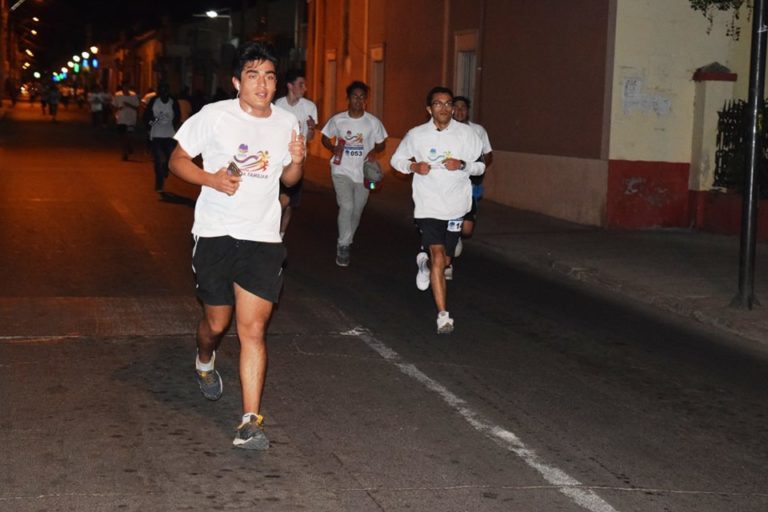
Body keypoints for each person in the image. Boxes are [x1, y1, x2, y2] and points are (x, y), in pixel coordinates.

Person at [169, 41, 305, 450]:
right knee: (216, 324)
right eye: (252, 75)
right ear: (236, 81)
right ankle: (204, 359)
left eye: (268, 76)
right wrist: (211, 179)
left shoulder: (286, 122)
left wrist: (299, 160)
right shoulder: (214, 116)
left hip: (263, 238)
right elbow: (177, 160)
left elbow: (290, 180)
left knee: (253, 330)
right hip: (215, 233)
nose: (262, 84)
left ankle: (250, 421)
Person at [390, 86, 484, 334]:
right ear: (429, 109)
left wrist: (462, 164)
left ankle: (426, 264)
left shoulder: (467, 134)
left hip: (455, 206)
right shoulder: (416, 134)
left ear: (453, 108)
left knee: (446, 259)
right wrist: (413, 167)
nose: (444, 108)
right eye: (438, 103)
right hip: (428, 205)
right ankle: (443, 315)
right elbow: (396, 161)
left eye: (448, 103)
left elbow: (480, 167)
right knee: (440, 257)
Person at [320, 81, 387, 267]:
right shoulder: (338, 120)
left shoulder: (372, 122)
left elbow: (382, 143)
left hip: (363, 173)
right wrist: (332, 148)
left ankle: (347, 240)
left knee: (357, 210)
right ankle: (343, 246)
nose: (358, 100)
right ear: (348, 98)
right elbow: (324, 137)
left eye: (362, 97)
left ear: (366, 100)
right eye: (354, 96)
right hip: (341, 169)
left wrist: (374, 151)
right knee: (347, 206)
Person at [448, 95, 493, 276]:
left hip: (470, 183)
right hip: (449, 183)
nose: (459, 111)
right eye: (456, 107)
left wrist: (478, 169)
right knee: (448, 216)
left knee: (467, 229)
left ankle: (456, 234)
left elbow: (488, 154)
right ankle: (446, 263)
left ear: (468, 111)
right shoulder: (445, 130)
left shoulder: (478, 130)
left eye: (463, 108)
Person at [274, 70, 318, 239]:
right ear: (290, 86)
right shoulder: (278, 105)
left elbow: (310, 137)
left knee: (289, 203)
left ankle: (280, 236)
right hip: (278, 159)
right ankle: (272, 233)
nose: (305, 88)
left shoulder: (309, 107)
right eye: (301, 84)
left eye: (305, 85)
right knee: (280, 200)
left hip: (297, 162)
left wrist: (312, 128)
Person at [143, 82, 181, 192]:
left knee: (169, 157)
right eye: (162, 90)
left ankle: (166, 168)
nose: (164, 93)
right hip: (157, 135)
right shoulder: (154, 101)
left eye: (166, 90)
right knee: (158, 160)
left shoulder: (173, 102)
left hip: (169, 134)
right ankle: (159, 183)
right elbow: (147, 116)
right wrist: (150, 125)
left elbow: (177, 116)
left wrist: (174, 126)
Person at [113, 81, 140, 160]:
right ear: (122, 87)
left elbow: (137, 107)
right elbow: (114, 106)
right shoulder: (118, 95)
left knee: (129, 135)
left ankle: (128, 146)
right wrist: (117, 110)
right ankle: (124, 152)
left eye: (127, 86)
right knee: (122, 136)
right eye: (124, 86)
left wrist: (129, 105)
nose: (126, 88)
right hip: (121, 119)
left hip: (131, 119)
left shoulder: (133, 95)